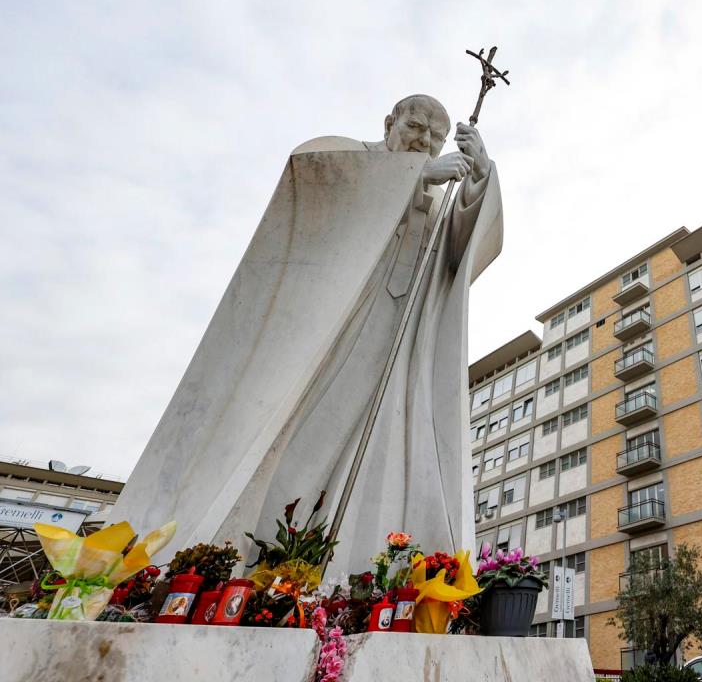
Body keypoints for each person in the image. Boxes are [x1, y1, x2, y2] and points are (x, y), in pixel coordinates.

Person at [111, 93, 504, 577]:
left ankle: (341, 572)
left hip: (392, 349)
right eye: (415, 127)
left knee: (374, 456)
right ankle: (234, 561)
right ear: (389, 122)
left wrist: (479, 179)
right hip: (326, 334)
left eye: (435, 137)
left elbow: (460, 256)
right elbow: (311, 181)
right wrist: (414, 176)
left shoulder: (438, 196)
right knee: (292, 444)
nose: (423, 142)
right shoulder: (348, 158)